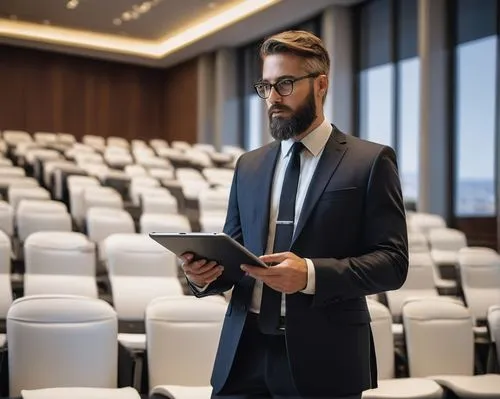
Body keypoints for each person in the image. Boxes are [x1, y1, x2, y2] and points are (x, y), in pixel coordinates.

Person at [181, 30, 408, 399]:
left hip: (326, 359)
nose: (272, 98)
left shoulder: (370, 161)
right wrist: (204, 276)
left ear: (321, 85)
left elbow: (393, 263)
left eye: (285, 84)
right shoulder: (249, 165)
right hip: (243, 354)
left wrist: (310, 275)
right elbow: (236, 253)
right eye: (266, 86)